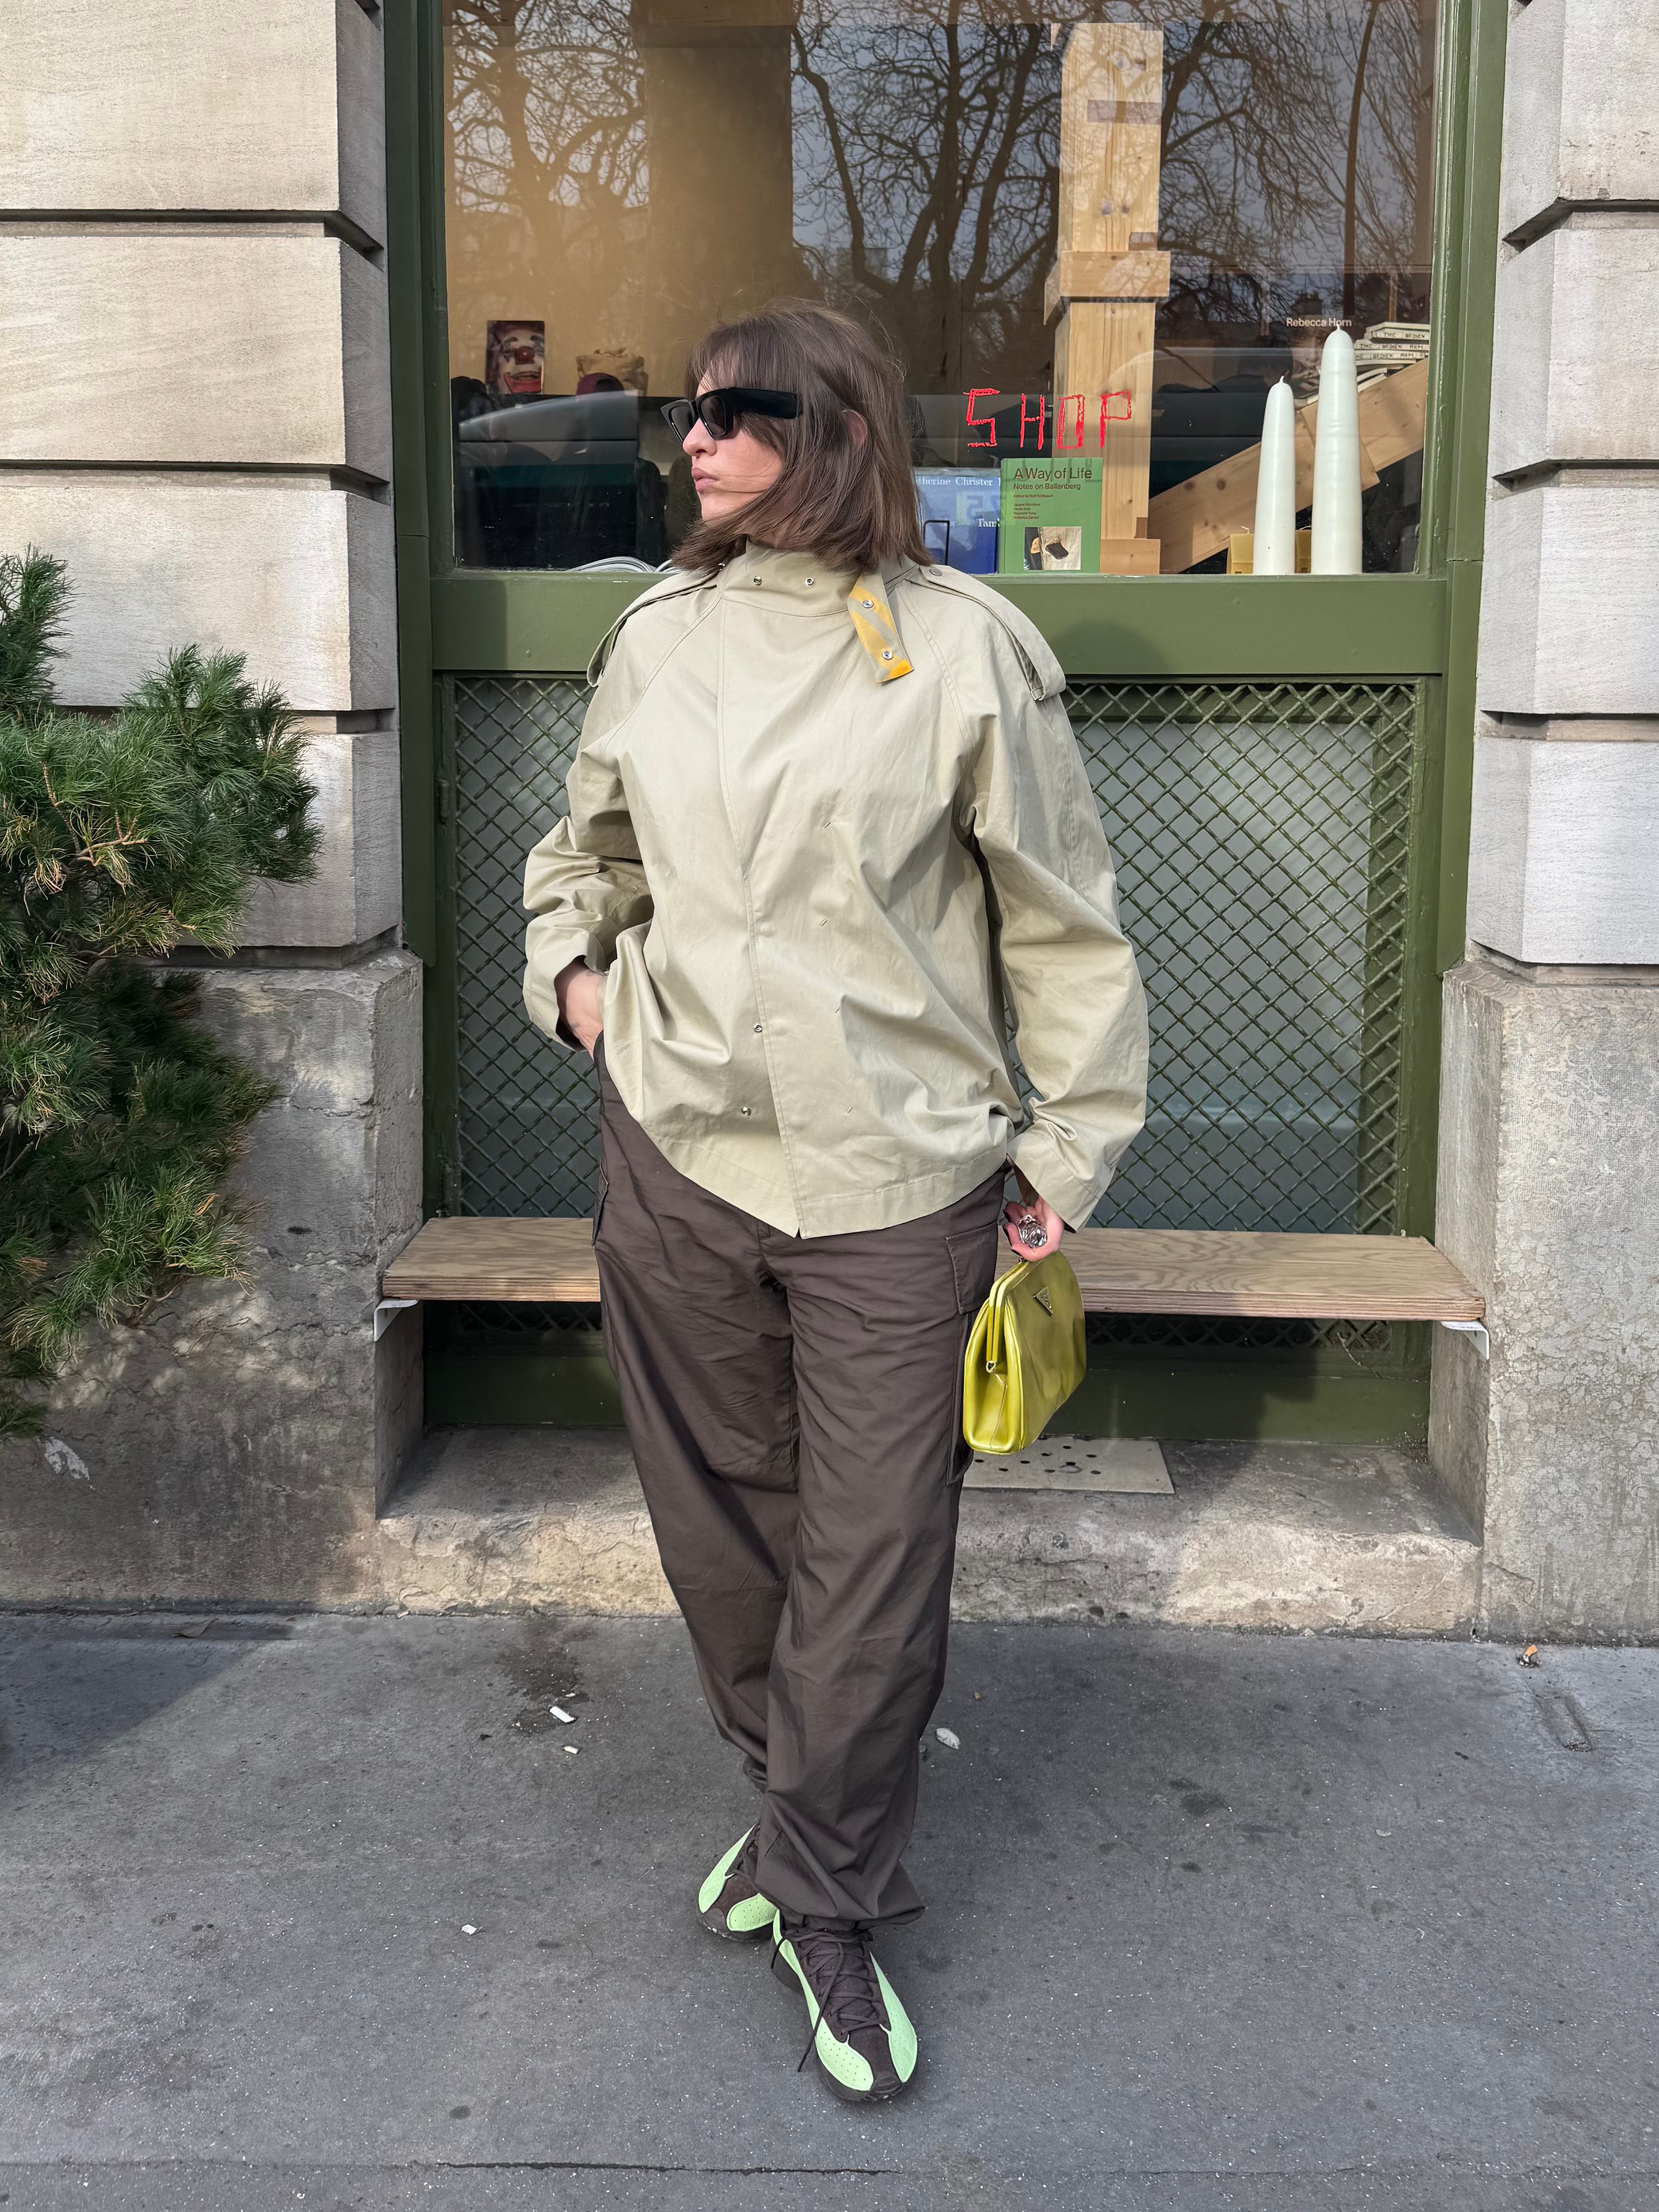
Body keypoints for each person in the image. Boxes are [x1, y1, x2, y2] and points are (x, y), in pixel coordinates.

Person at [523, 303, 1147, 2104]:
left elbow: (1062, 927)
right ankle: (803, 1816)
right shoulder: (656, 637)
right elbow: (585, 851)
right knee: (721, 1533)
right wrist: (579, 983)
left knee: (872, 1563)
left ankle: (825, 1899)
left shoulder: (964, 651)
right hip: (676, 1149)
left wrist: (1063, 1151)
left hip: (898, 1175)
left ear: (843, 433)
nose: (697, 437)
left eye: (742, 410)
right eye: (689, 410)